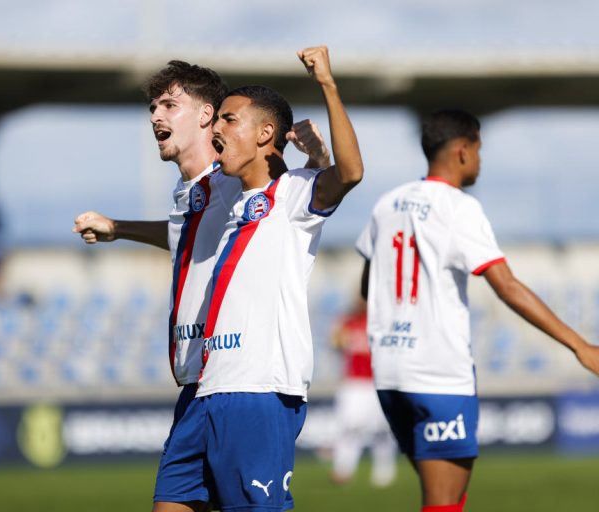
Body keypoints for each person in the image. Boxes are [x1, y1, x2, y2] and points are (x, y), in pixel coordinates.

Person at [72, 60, 330, 512]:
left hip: (239, 379)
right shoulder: (192, 190)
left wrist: (318, 161)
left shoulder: (233, 176)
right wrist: (118, 227)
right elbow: (184, 237)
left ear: (207, 115)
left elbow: (285, 192)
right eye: (153, 107)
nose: (156, 116)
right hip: (199, 385)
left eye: (169, 105)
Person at [355, 109, 599, 512]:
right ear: (463, 151)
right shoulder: (458, 207)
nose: (481, 161)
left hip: (391, 373)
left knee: (448, 498)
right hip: (438, 375)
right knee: (443, 504)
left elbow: (368, 286)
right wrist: (580, 345)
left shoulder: (387, 204)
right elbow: (507, 286)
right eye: (479, 150)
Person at [155, 45, 363, 512]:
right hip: (204, 389)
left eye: (228, 119)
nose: (217, 128)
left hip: (257, 390)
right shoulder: (228, 200)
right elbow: (179, 231)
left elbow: (350, 173)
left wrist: (326, 85)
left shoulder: (293, 195)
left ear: (266, 133)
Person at [329, 297, 397, 487]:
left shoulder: (383, 323)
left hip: (378, 381)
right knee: (350, 426)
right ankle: (343, 469)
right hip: (355, 382)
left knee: (382, 429)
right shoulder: (349, 322)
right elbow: (335, 343)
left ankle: (384, 471)